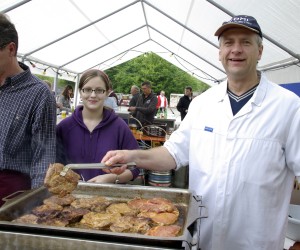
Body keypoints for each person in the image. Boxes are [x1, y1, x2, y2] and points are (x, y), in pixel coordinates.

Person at [101, 15, 300, 250]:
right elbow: (173, 154)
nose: (236, 50)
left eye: (245, 42)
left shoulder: (288, 107)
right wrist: (131, 156)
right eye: (228, 42)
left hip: (257, 242)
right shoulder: (203, 104)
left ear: (260, 51)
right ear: (219, 52)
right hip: (204, 240)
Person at [0, 13, 56, 207]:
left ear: (11, 49)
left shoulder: (39, 94)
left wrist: (38, 206)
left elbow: (43, 158)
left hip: (12, 195)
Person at [56, 69, 140, 183]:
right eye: (87, 90)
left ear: (106, 93)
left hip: (109, 196)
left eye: (99, 90)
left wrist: (113, 178)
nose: (93, 95)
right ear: (80, 92)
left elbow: (135, 166)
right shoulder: (64, 127)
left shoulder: (119, 127)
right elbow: (55, 166)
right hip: (70, 197)